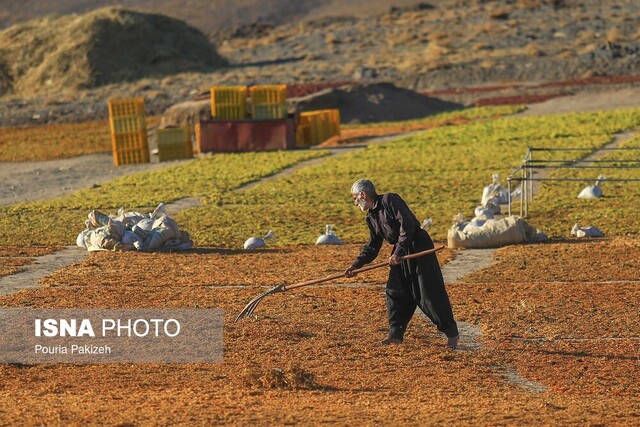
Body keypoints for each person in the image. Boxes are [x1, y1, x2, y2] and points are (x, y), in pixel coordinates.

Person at [344, 179, 460, 349]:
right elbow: (373, 245)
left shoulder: (390, 200)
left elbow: (408, 225)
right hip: (400, 251)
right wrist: (356, 265)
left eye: (355, 198)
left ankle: (452, 334)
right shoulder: (371, 217)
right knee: (395, 290)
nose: (355, 203)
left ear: (363, 194)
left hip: (417, 245)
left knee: (427, 292)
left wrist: (398, 252)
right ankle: (395, 335)